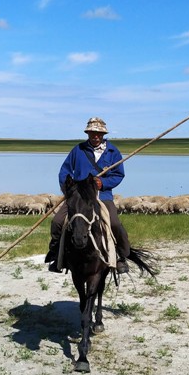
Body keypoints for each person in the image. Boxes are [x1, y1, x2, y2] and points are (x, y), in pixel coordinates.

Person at [45, 117, 130, 274]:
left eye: (98, 133)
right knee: (57, 222)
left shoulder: (113, 152)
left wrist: (103, 183)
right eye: (92, 133)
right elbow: (64, 171)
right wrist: (70, 191)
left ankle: (121, 257)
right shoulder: (78, 150)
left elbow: (118, 175)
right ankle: (56, 255)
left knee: (114, 223)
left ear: (103, 134)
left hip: (102, 195)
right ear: (88, 133)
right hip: (78, 196)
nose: (95, 136)